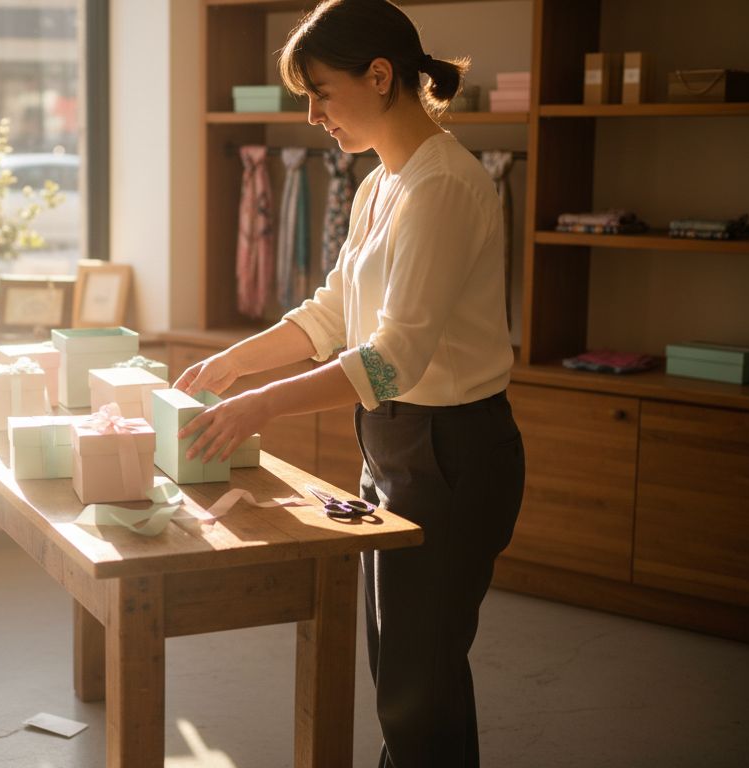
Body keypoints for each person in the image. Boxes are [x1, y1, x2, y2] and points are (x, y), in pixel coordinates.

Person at [174, 1, 525, 766]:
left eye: (321, 92)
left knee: (413, 684)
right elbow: (334, 311)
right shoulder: (381, 184)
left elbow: (393, 355)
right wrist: (237, 362)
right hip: (398, 446)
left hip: (452, 452)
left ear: (380, 74)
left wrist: (259, 404)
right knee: (411, 678)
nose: (311, 114)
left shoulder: (443, 187)